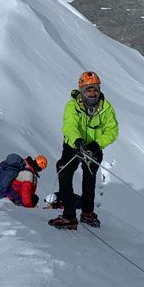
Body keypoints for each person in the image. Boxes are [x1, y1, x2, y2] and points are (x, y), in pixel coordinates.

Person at [49, 71, 119, 230]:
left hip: (94, 148)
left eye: (95, 89)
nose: (93, 93)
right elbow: (69, 126)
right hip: (73, 146)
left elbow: (112, 131)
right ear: (82, 90)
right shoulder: (72, 106)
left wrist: (96, 145)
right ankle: (69, 215)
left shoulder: (106, 108)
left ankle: (87, 212)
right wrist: (77, 141)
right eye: (89, 90)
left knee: (90, 178)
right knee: (64, 171)